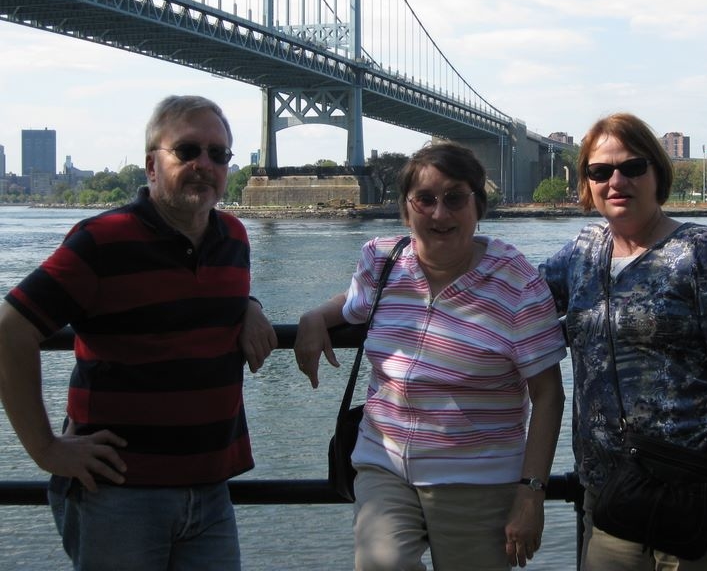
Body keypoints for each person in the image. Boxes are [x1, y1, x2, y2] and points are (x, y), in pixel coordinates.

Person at [0, 95, 278, 571]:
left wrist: (249, 306)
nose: (204, 165)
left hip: (211, 491)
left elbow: (200, 297)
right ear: (152, 165)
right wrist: (46, 449)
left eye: (218, 154)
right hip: (118, 494)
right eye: (186, 151)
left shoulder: (233, 237)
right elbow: (10, 330)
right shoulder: (101, 241)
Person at [295, 141, 566, 571]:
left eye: (455, 198)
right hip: (384, 463)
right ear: (406, 208)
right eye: (425, 199)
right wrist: (314, 317)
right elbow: (353, 302)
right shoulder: (382, 261)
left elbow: (549, 394)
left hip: (478, 477)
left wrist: (531, 492)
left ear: (479, 205)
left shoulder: (516, 280)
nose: (440, 214)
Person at [540, 112, 707, 571]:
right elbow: (508, 297)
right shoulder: (584, 251)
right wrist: (365, 304)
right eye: (600, 171)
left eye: (633, 167)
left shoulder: (703, 251)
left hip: (693, 491)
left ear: (657, 173)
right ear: (587, 183)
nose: (616, 180)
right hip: (608, 491)